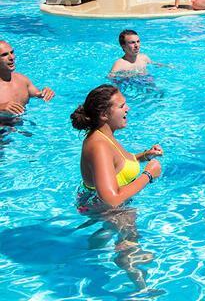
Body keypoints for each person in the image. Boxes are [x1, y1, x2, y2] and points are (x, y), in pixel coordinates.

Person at [72, 84, 163, 289]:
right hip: (104, 206)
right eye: (121, 106)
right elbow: (111, 198)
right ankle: (143, 290)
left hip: (101, 201)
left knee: (121, 233)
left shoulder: (106, 135)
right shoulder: (99, 145)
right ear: (104, 114)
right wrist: (148, 175)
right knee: (129, 245)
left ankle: (95, 248)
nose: (127, 109)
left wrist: (143, 156)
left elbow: (118, 163)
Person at [0, 40, 55, 117]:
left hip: (22, 125)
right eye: (5, 55)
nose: (12, 57)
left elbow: (38, 94)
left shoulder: (22, 80)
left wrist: (46, 92)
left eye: (12, 52)